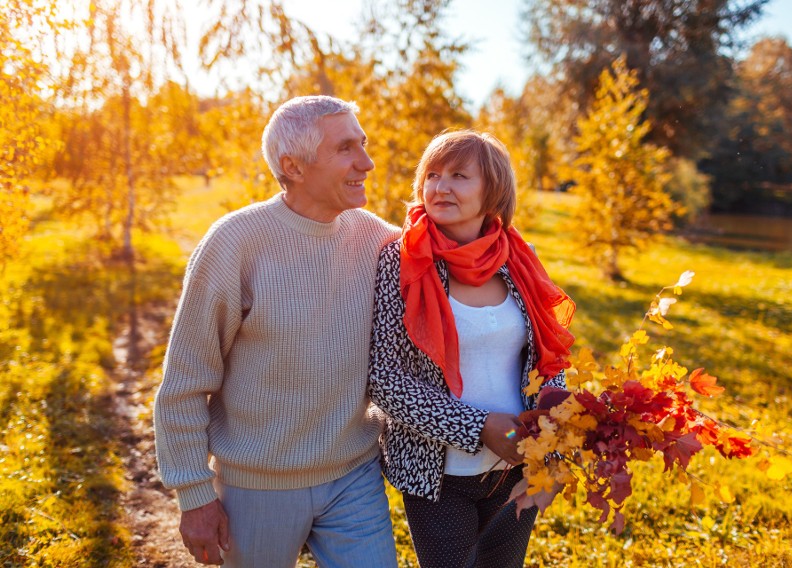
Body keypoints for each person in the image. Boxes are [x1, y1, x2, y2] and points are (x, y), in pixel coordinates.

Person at [153, 95, 400, 567]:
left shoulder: (375, 238)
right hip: (256, 486)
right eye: (346, 148)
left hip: (354, 474)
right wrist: (193, 492)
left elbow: (448, 266)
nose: (366, 163)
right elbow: (185, 381)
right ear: (295, 166)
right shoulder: (235, 243)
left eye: (363, 144)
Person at [368, 130, 576, 567]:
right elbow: (385, 380)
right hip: (437, 472)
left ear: (493, 190)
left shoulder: (518, 257)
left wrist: (552, 446)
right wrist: (479, 426)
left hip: (517, 463)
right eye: (432, 175)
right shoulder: (400, 261)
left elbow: (546, 356)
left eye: (459, 176)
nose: (440, 187)